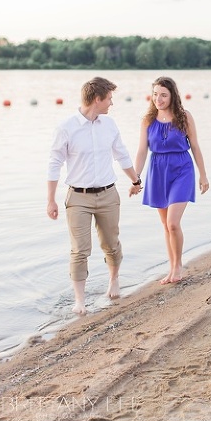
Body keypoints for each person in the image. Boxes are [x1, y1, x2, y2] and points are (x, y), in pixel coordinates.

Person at [47, 77, 142, 315]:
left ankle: (113, 280)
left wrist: (135, 180)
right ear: (97, 99)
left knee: (111, 243)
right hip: (78, 198)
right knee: (80, 250)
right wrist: (51, 199)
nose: (112, 103)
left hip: (108, 194)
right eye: (109, 98)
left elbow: (122, 156)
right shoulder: (66, 127)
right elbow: (54, 164)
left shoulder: (109, 125)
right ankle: (79, 301)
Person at [133, 76, 209, 285]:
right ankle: (172, 266)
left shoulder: (184, 116)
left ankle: (178, 266)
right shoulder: (148, 120)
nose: (159, 99)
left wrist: (203, 174)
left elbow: (194, 146)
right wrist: (135, 178)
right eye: (155, 94)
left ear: (172, 96)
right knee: (166, 226)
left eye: (163, 95)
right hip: (157, 171)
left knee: (173, 223)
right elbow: (141, 151)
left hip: (182, 170)